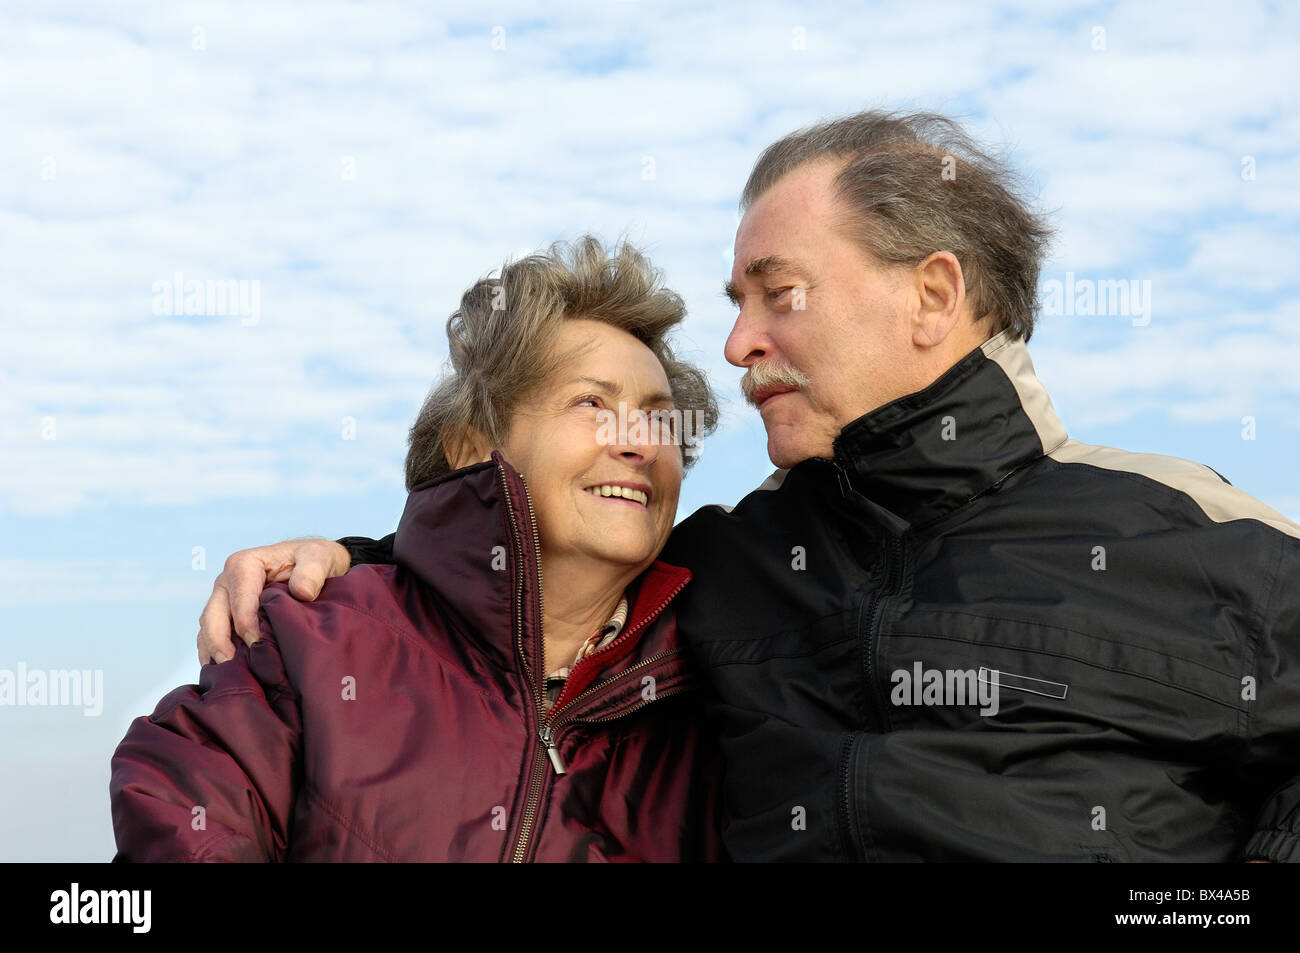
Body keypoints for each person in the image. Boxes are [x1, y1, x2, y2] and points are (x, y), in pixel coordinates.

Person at [198, 111, 1300, 862]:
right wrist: (351, 557)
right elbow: (527, 567)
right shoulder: (724, 565)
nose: (735, 344)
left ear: (931, 294)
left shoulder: (1208, 538)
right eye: (735, 299)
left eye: (779, 294)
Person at [111, 236, 724, 862]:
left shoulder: (724, 700)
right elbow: (183, 814)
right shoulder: (307, 638)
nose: (640, 444)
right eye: (591, 403)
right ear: (470, 448)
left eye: (658, 418)